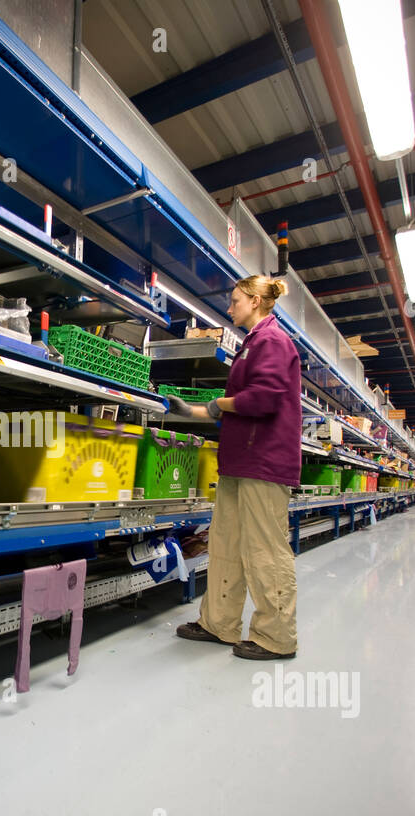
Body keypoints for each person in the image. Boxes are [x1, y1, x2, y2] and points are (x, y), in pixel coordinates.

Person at [165, 275, 301, 661]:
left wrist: (216, 404)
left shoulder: (273, 341)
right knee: (225, 544)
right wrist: (193, 411)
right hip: (240, 460)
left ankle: (276, 637)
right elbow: (239, 406)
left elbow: (264, 399)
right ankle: (219, 624)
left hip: (264, 462)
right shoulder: (253, 344)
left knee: (265, 551)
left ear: (256, 301)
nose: (230, 308)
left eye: (236, 300)